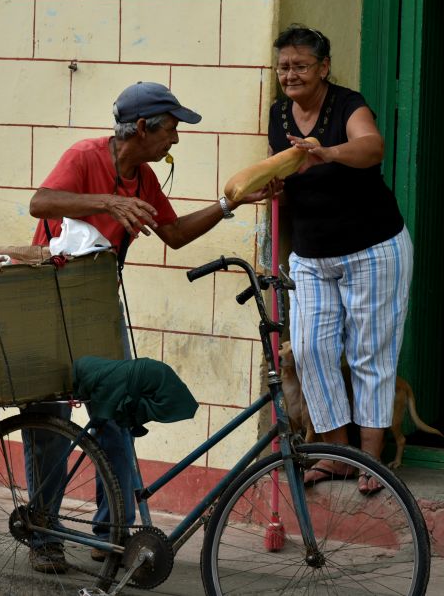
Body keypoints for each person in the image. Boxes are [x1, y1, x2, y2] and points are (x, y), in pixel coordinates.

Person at [24, 82, 273, 572]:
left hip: (96, 301)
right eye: (171, 130)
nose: (174, 141)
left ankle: (110, 531)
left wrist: (232, 205)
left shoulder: (142, 177)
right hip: (47, 297)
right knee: (51, 417)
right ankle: (42, 531)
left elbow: (175, 235)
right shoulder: (86, 156)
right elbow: (41, 203)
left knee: (116, 410)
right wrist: (107, 203)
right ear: (142, 127)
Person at [268, 25, 413, 495]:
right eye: (284, 66)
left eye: (301, 65)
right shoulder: (278, 114)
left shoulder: (349, 105)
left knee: (370, 352)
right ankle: (336, 454)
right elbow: (284, 179)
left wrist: (326, 152)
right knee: (310, 350)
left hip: (373, 248)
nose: (290, 74)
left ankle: (371, 459)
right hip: (311, 254)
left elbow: (373, 147)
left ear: (324, 67)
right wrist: (271, 189)